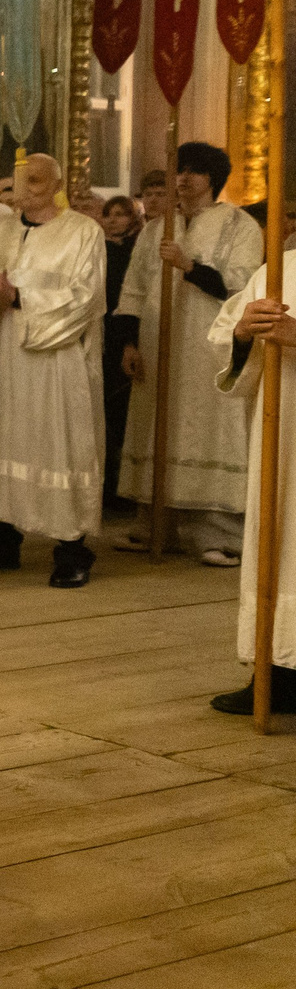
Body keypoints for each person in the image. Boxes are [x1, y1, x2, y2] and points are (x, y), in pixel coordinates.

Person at [0, 154, 106, 587]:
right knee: (1, 438)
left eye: (38, 180)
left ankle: (72, 548)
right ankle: (2, 540)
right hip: (3, 356)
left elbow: (87, 298)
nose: (29, 188)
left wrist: (18, 296)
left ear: (57, 183)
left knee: (59, 446)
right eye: (22, 181)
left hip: (56, 361)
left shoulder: (83, 232)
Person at [114, 142, 261, 563]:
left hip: (207, 345)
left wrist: (190, 267)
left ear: (212, 177)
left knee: (208, 429)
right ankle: (153, 525)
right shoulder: (156, 228)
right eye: (179, 169)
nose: (183, 178)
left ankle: (216, 534)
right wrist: (128, 341)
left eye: (194, 171)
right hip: (158, 343)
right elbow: (135, 288)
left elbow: (241, 285)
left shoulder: (239, 225)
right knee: (154, 424)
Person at [205, 261, 296, 715]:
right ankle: (277, 673)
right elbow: (225, 334)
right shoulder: (279, 269)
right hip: (282, 432)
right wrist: (243, 334)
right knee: (279, 549)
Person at [99, 194, 142, 513]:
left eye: (120, 214)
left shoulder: (134, 250)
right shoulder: (98, 249)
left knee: (121, 414)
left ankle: (123, 489)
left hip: (123, 334)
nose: (113, 220)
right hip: (101, 333)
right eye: (108, 214)